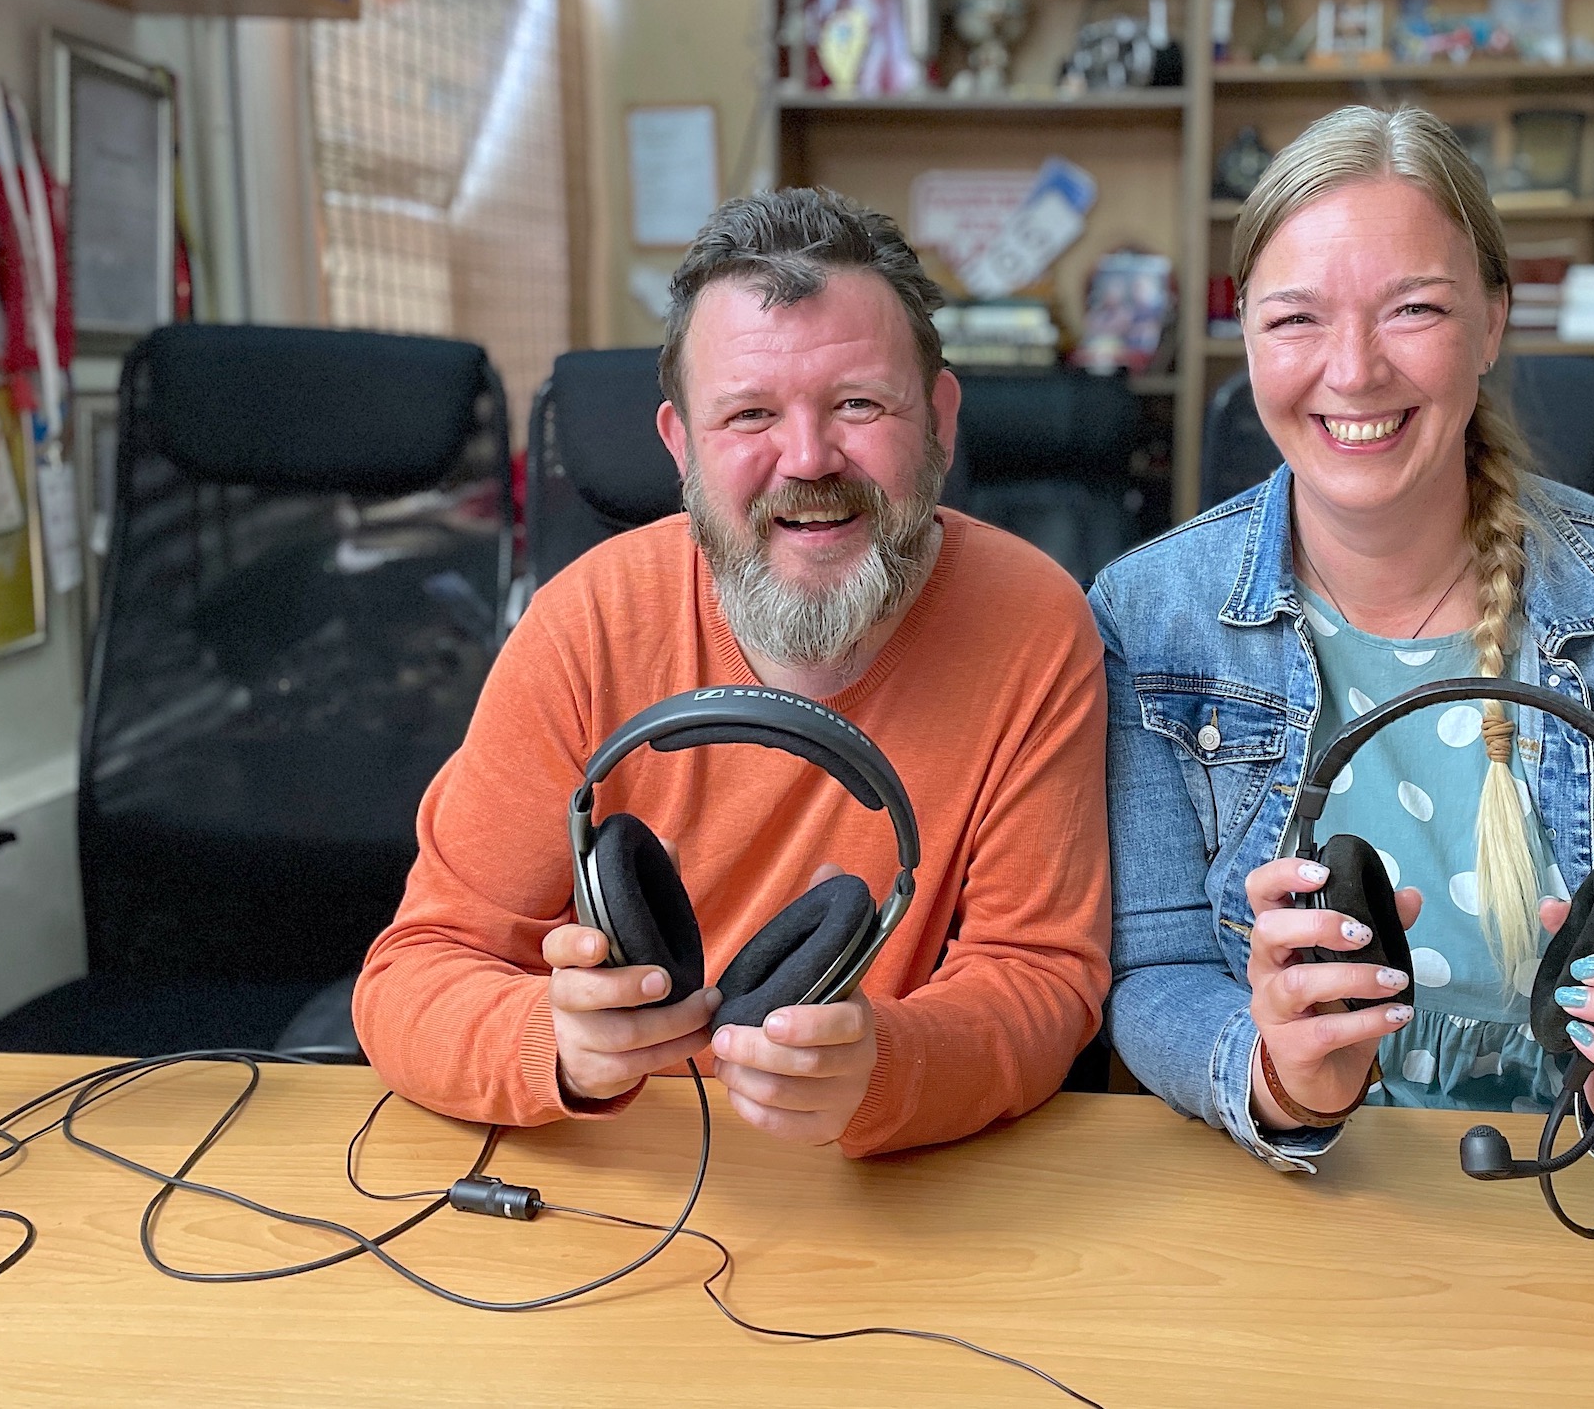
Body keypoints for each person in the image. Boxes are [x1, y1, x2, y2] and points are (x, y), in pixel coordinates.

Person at [1090, 106, 1594, 1182]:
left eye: (1415, 310)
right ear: (1245, 329)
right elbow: (1155, 974)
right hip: (1324, 1183)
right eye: (1296, 318)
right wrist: (1275, 1076)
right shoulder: (1146, 617)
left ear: (1492, 322)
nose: (1353, 371)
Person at [355, 188, 1111, 1157]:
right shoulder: (584, 624)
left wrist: (885, 1067)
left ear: (939, 419)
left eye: (859, 404)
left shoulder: (1036, 622)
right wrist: (559, 1045)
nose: (808, 459)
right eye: (750, 414)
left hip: (888, 1185)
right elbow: (413, 976)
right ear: (681, 447)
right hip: (624, 1171)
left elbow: (1041, 976)